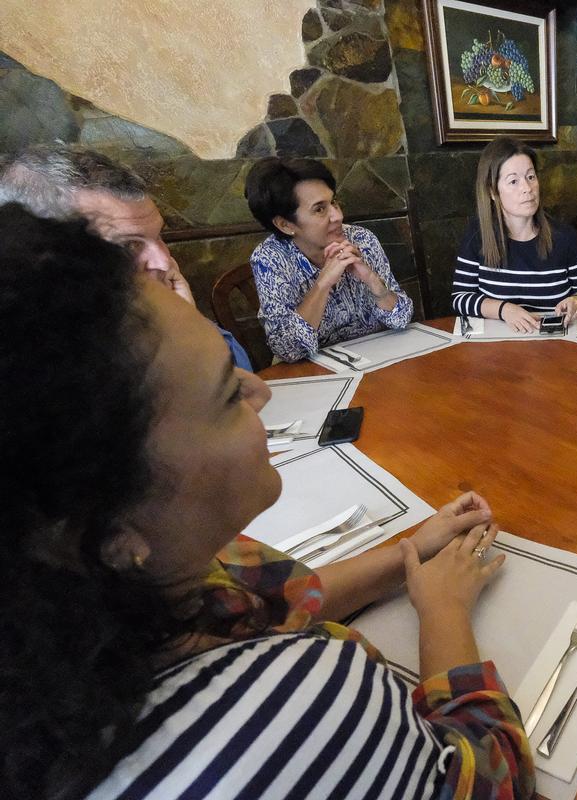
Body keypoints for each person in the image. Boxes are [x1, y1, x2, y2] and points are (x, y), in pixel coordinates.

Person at [0, 205, 534, 799]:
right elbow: (491, 775)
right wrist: (444, 611)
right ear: (108, 529)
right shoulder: (301, 700)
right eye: (228, 389)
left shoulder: (121, 588)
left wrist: (408, 552)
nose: (259, 390)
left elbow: (265, 600)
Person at [0, 144, 261, 394]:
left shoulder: (144, 316)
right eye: (128, 245)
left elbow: (242, 398)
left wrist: (186, 327)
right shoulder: (30, 367)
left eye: (159, 236)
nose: (163, 261)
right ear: (41, 256)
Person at [245, 157, 414, 362]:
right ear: (285, 225)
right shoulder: (270, 259)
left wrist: (371, 279)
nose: (338, 216)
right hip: (313, 373)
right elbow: (288, 349)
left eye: (333, 202)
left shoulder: (362, 239)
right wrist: (323, 283)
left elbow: (402, 318)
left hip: (376, 358)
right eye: (319, 209)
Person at [451, 136, 577, 333]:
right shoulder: (477, 236)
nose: (527, 189)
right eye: (513, 181)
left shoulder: (566, 237)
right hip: (496, 348)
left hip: (554, 346)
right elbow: (460, 299)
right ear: (492, 191)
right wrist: (504, 310)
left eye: (530, 177)